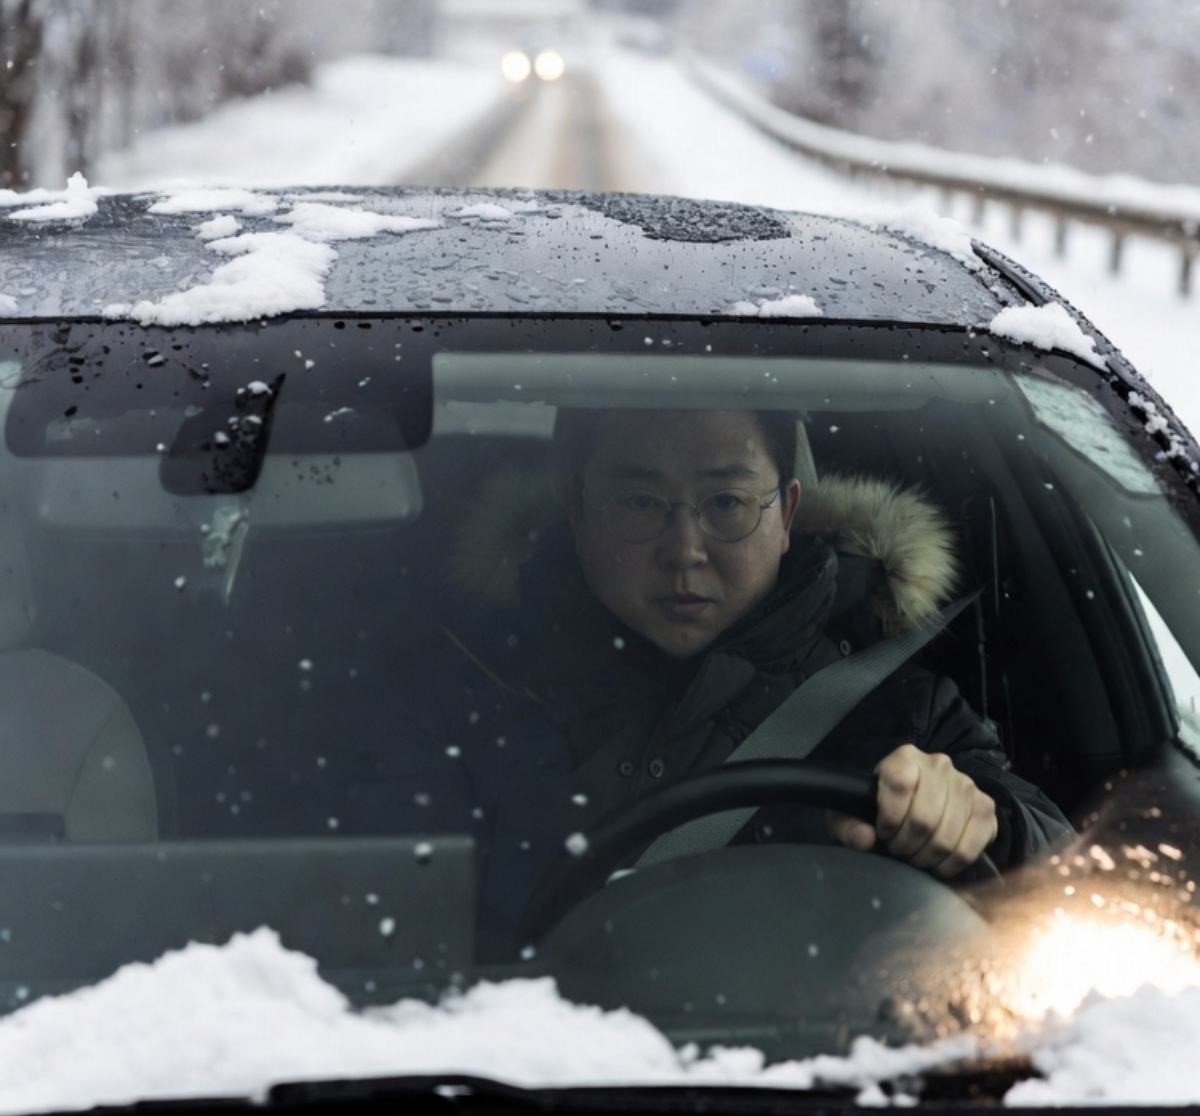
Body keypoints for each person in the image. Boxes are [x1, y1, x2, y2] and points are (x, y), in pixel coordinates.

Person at [372, 405, 1071, 956]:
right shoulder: (467, 695)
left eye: (727, 503)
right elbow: (368, 927)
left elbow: (1070, 883)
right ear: (576, 508)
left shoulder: (898, 707)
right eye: (641, 503)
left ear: (787, 513)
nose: (685, 550)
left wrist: (985, 823)